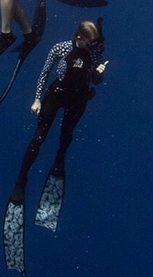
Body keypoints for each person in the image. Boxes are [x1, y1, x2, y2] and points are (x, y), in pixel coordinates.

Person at [9, 19, 107, 205]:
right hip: (56, 95)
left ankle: (59, 161)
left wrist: (99, 73)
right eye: (90, 42)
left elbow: (94, 80)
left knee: (66, 136)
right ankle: (21, 181)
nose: (92, 47)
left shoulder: (94, 53)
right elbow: (45, 73)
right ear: (79, 37)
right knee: (38, 138)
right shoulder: (61, 48)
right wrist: (37, 99)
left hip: (78, 100)